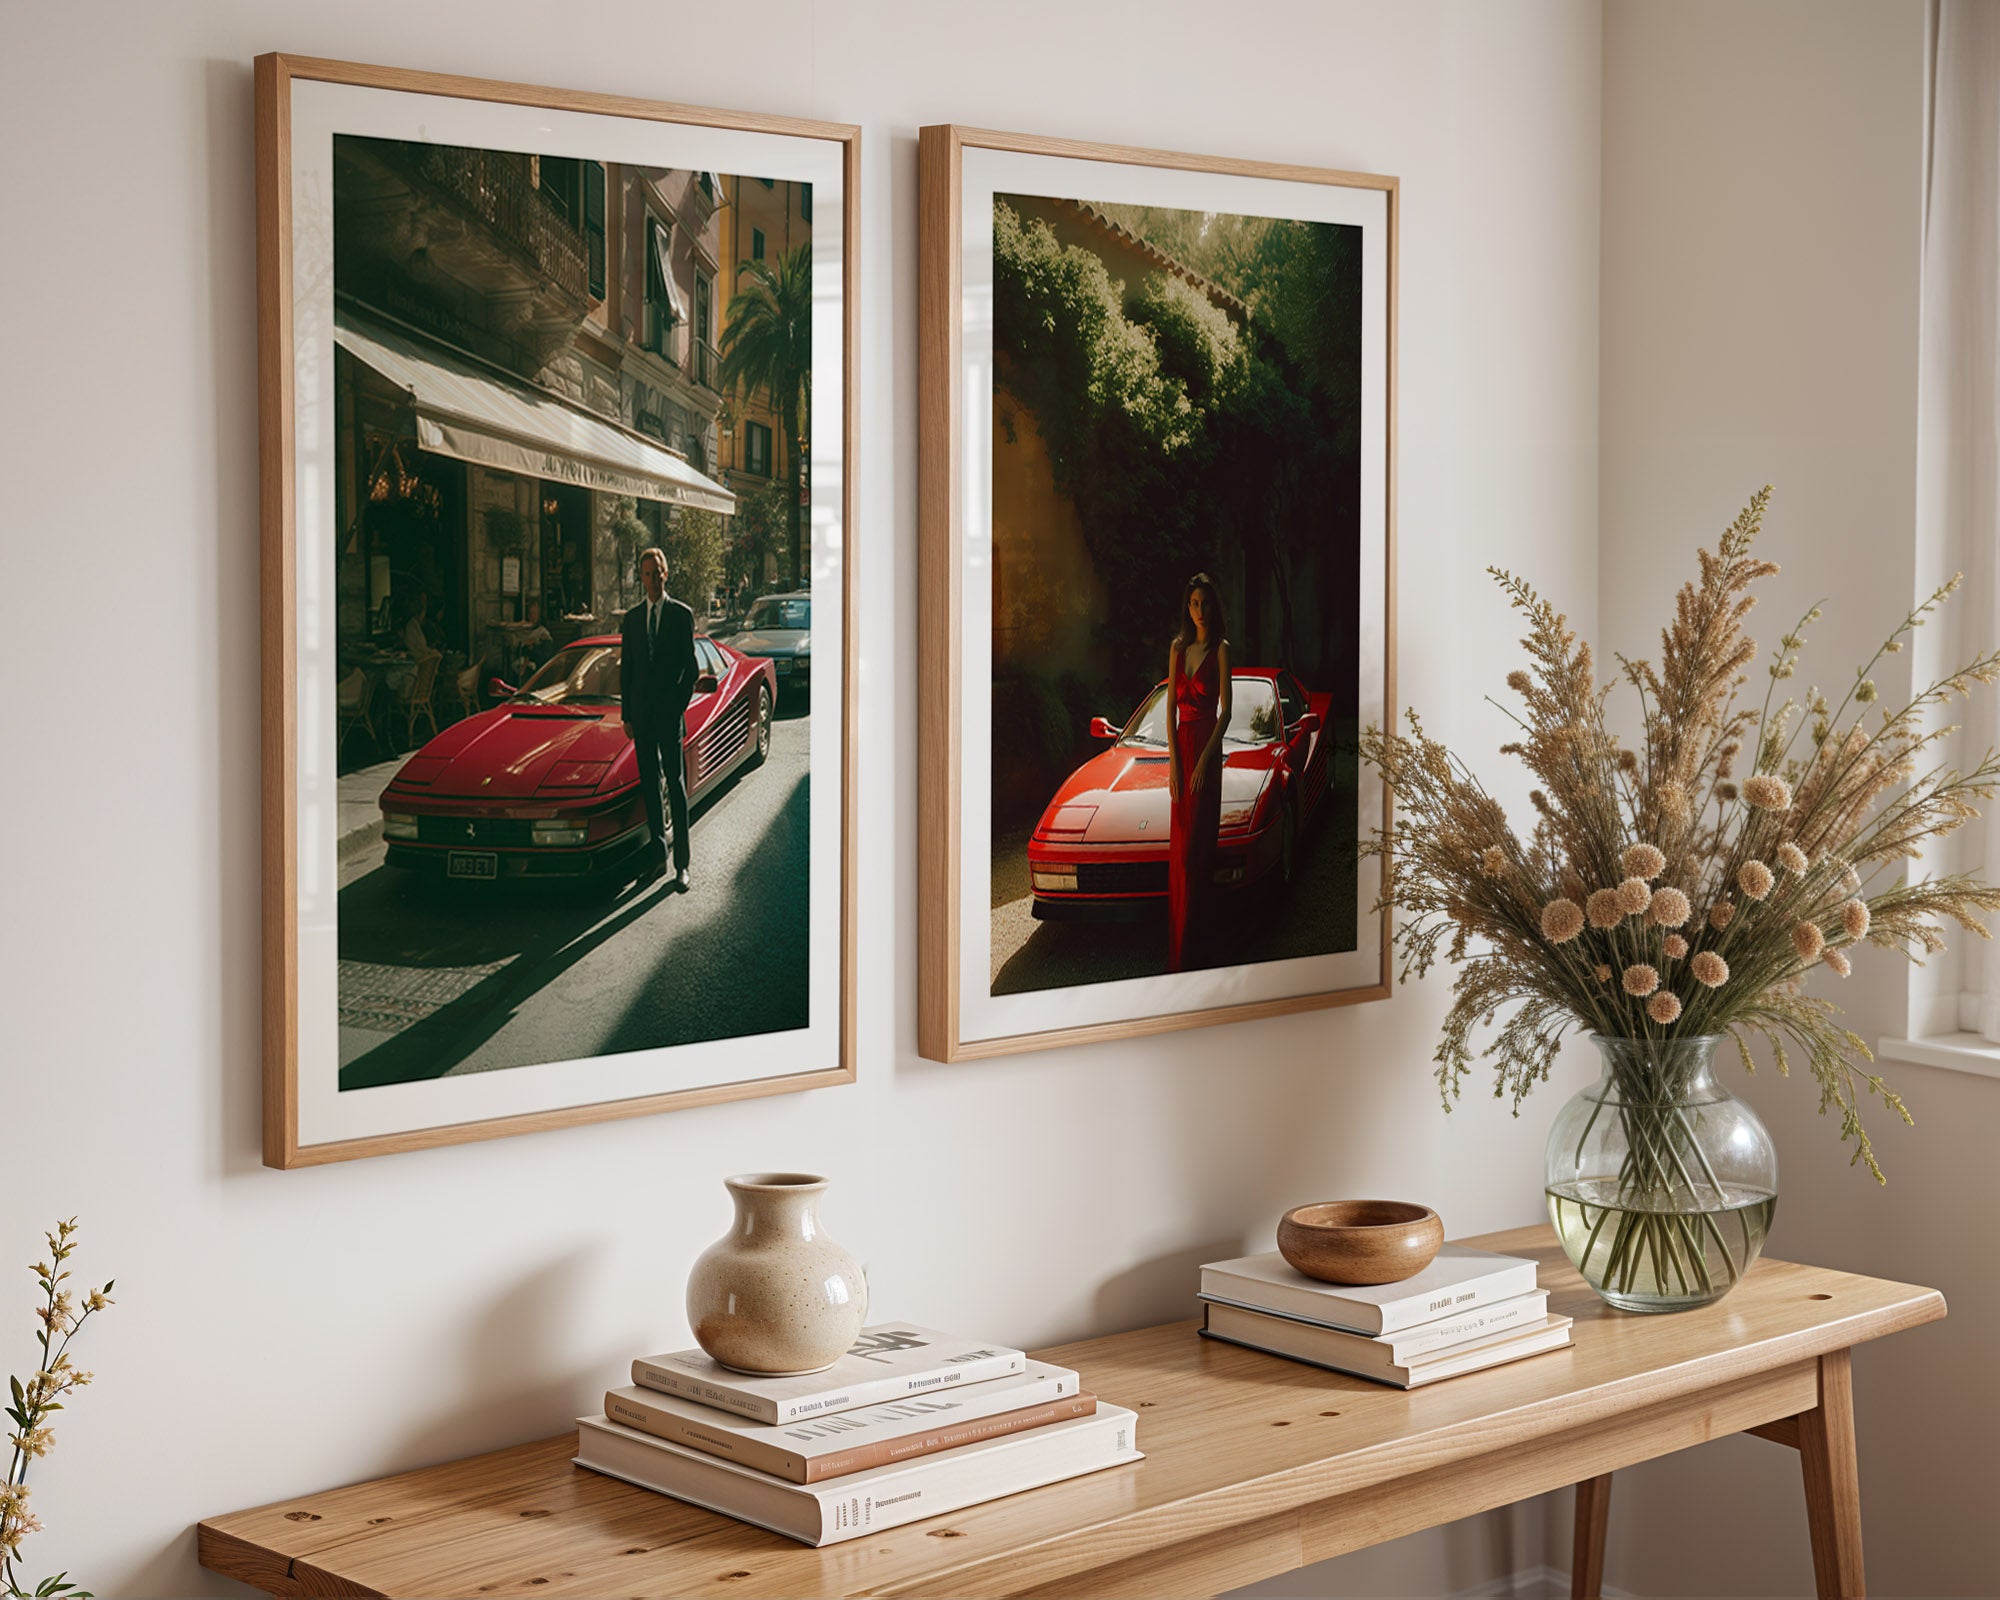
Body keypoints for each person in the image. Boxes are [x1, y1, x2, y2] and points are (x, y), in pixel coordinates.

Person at [621, 547, 699, 889]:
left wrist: (676, 707)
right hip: (641, 718)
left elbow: (691, 669)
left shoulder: (682, 615)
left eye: (657, 573)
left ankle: (682, 864)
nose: (652, 579)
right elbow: (628, 671)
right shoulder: (633, 618)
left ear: (666, 574)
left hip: (668, 718)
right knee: (650, 788)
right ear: (642, 578)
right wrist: (627, 715)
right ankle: (658, 859)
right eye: (647, 574)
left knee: (675, 786)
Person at [1166, 572, 1232, 972]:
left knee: (1199, 852)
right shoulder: (1177, 648)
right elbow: (1169, 708)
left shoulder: (1221, 649)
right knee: (1182, 853)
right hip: (1182, 753)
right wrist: (1174, 764)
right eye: (1193, 603)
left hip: (1207, 749)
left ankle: (1200, 946)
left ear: (1213, 606)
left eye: (1205, 603)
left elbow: (1227, 712)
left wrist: (1206, 761)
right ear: (1186, 608)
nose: (1199, 611)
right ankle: (1180, 946)